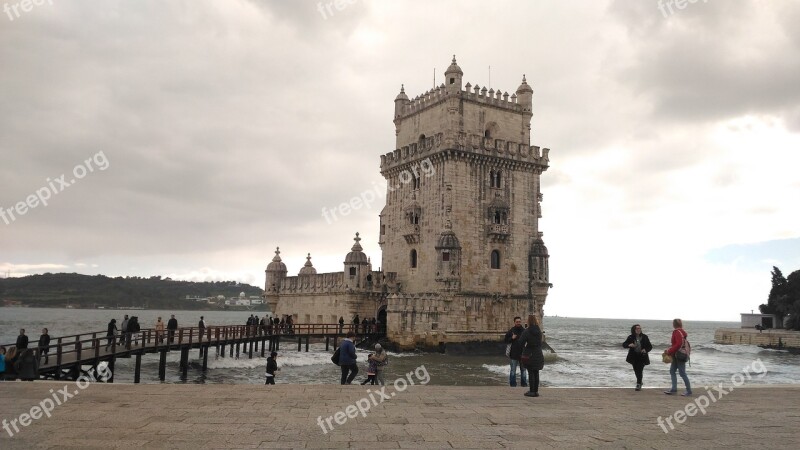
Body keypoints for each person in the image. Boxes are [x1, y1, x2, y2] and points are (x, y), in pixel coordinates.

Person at [664, 318, 692, 396]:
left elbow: (678, 344)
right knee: (672, 371)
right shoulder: (683, 332)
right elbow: (679, 344)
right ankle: (673, 389)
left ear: (674, 324)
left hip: (678, 354)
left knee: (682, 373)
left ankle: (688, 390)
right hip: (678, 354)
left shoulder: (677, 332)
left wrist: (669, 351)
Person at [520, 314, 545, 397]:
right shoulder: (539, 331)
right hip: (538, 352)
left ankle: (531, 391)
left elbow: (521, 342)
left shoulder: (527, 331)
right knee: (536, 372)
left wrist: (526, 346)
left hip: (530, 354)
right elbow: (540, 342)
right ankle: (536, 391)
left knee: (531, 372)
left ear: (528, 321)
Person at [622, 324, 652, 391]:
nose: (639, 330)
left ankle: (638, 384)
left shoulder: (645, 337)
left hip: (642, 356)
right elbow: (624, 344)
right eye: (637, 328)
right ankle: (640, 382)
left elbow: (650, 346)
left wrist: (645, 350)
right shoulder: (630, 337)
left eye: (640, 328)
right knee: (636, 370)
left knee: (640, 370)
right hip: (634, 356)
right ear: (634, 330)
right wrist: (629, 345)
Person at [504, 316, 528, 387]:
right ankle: (513, 385)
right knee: (513, 371)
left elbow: (528, 341)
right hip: (513, 354)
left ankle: (524, 384)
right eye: (517, 322)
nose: (518, 323)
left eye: (519, 322)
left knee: (523, 371)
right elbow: (505, 340)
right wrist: (512, 338)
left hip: (523, 354)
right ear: (514, 322)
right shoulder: (511, 331)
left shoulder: (524, 331)